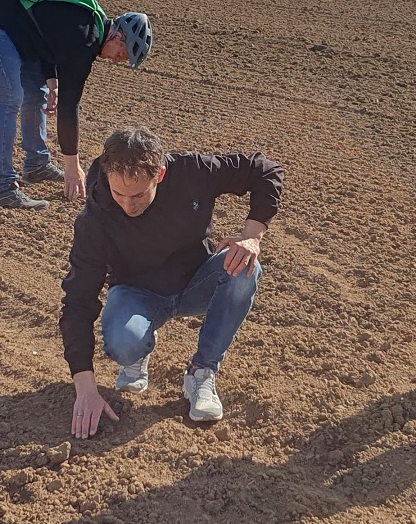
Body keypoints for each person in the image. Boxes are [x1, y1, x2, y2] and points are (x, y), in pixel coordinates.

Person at [59, 126, 282, 430]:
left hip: (195, 282)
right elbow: (77, 302)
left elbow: (264, 169)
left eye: (139, 194)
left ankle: (201, 372)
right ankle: (138, 351)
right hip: (136, 293)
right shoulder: (95, 220)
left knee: (246, 267)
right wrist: (86, 390)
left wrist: (251, 236)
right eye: (118, 194)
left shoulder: (192, 171)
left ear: (160, 175)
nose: (128, 205)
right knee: (123, 343)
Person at [0, 0, 152, 209]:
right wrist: (73, 168)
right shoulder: (84, 39)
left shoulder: (89, 25)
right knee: (8, 96)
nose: (116, 61)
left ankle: (36, 165)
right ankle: (0, 188)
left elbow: (48, 38)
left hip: (18, 26)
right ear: (118, 37)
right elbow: (68, 107)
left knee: (36, 91)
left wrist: (52, 83)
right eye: (122, 55)